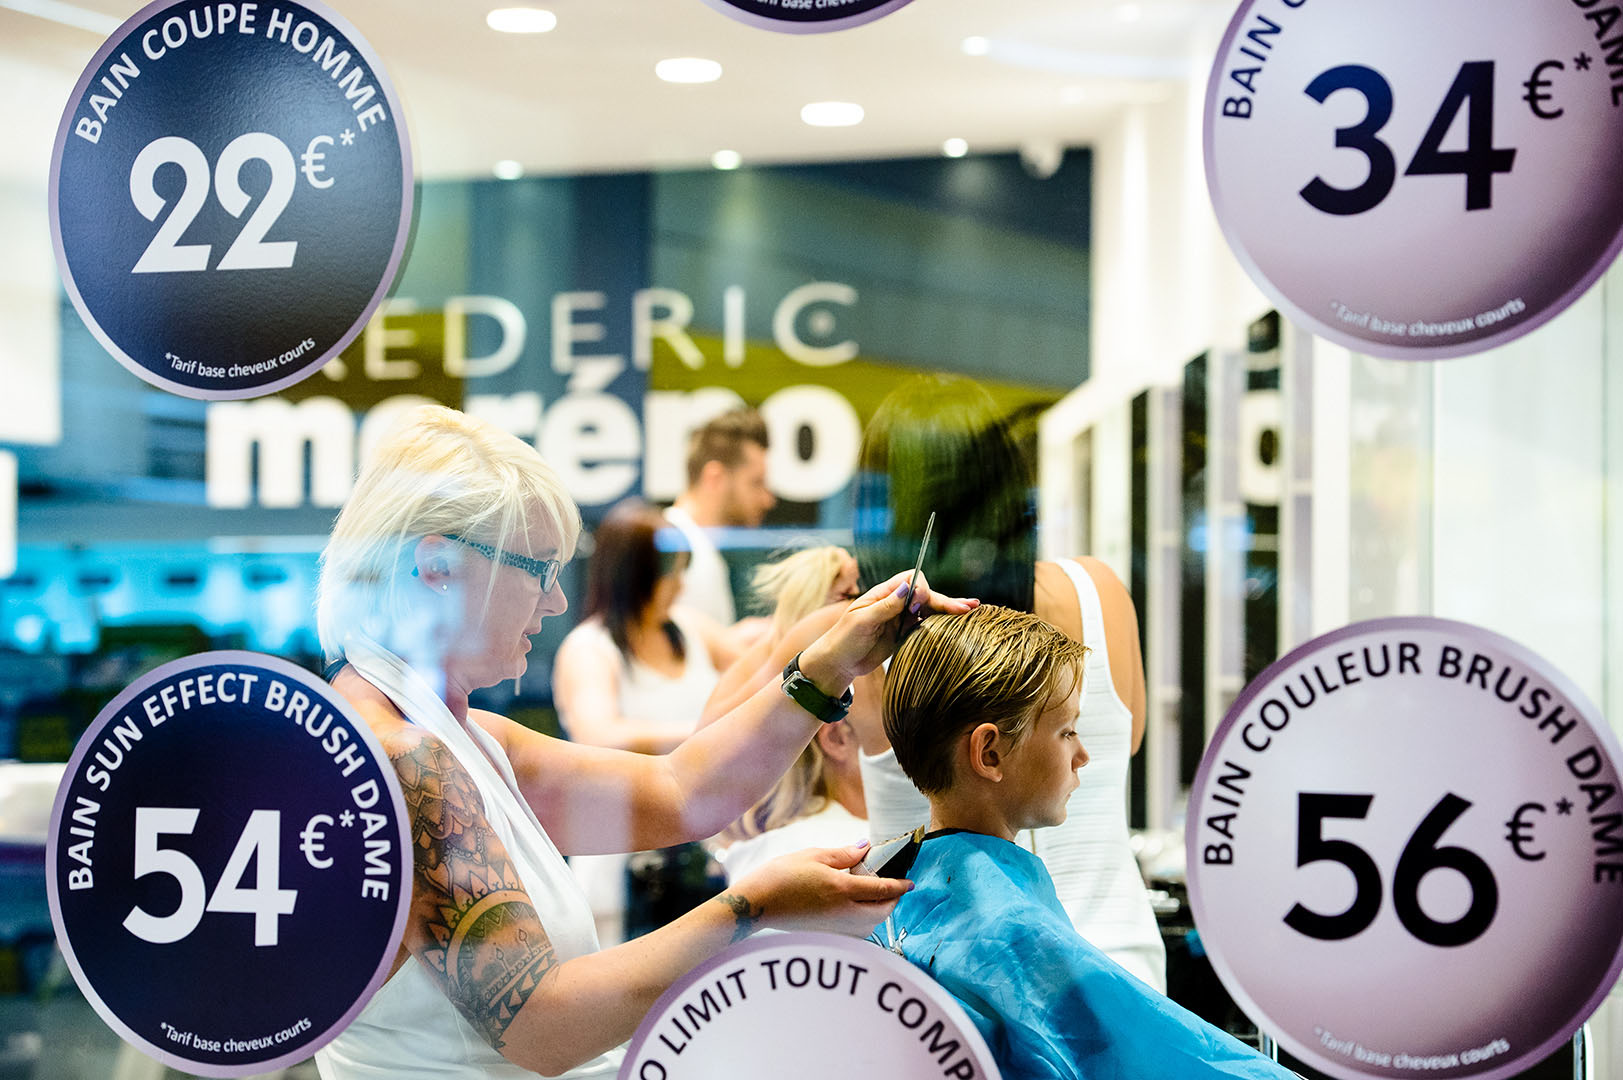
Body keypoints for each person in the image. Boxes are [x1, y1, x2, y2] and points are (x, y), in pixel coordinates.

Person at [311, 405, 971, 1079]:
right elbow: (541, 1026)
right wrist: (751, 908)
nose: (555, 602)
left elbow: (682, 791)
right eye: (537, 568)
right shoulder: (402, 759)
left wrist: (827, 663)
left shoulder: (465, 739)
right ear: (439, 565)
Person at [702, 374, 1167, 991]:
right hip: (1119, 968)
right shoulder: (1099, 592)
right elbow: (1121, 747)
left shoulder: (863, 635)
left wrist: (803, 623)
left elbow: (712, 756)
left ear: (883, 506)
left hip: (951, 988)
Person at [873, 606, 1295, 1080]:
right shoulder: (1012, 930)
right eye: (1067, 731)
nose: (1082, 754)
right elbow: (1184, 1059)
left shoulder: (884, 883)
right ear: (989, 753)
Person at [553, 498, 723, 944]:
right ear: (636, 576)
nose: (680, 587)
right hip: (619, 855)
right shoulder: (590, 648)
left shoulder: (691, 630)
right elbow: (599, 734)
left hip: (698, 854)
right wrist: (705, 738)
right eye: (670, 574)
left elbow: (762, 666)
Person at [712, 546, 867, 883]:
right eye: (846, 595)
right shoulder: (774, 658)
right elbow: (709, 738)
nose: (856, 605)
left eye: (858, 592)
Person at [663, 407, 775, 627]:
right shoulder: (681, 555)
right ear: (715, 478)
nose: (767, 499)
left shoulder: (697, 551)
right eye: (756, 482)